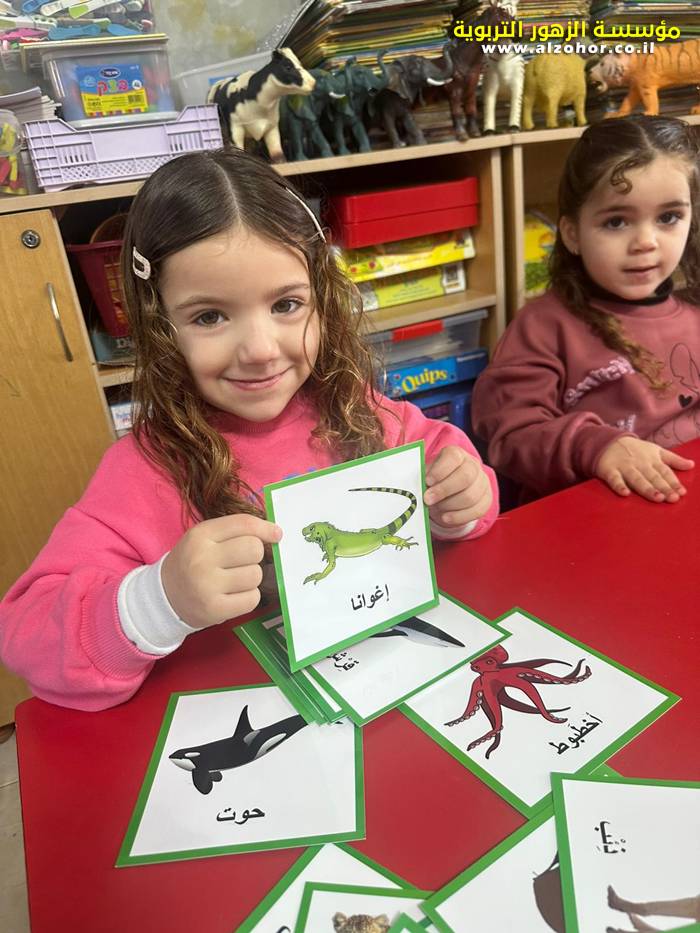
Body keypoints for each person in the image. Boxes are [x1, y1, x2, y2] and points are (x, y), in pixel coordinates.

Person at [0, 148, 498, 711]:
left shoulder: (354, 409)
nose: (260, 350)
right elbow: (25, 634)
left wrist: (460, 501)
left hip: (390, 689)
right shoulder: (144, 472)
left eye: (287, 304)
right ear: (160, 327)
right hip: (259, 716)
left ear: (322, 300)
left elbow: (450, 463)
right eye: (209, 316)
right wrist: (159, 600)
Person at [473, 114, 699, 503]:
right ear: (573, 233)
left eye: (668, 217)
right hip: (589, 516)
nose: (646, 242)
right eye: (616, 222)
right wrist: (595, 447)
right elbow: (510, 435)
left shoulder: (693, 308)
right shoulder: (543, 326)